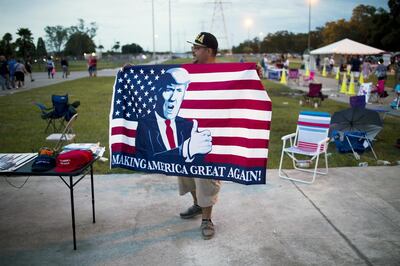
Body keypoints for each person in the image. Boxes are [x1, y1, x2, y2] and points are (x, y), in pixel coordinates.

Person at [135, 67, 212, 163]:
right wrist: (184, 150)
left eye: (179, 91)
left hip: (183, 177)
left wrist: (200, 151)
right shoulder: (144, 125)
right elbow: (144, 161)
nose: (173, 98)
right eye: (168, 90)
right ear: (157, 92)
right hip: (158, 178)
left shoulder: (189, 126)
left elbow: (197, 165)